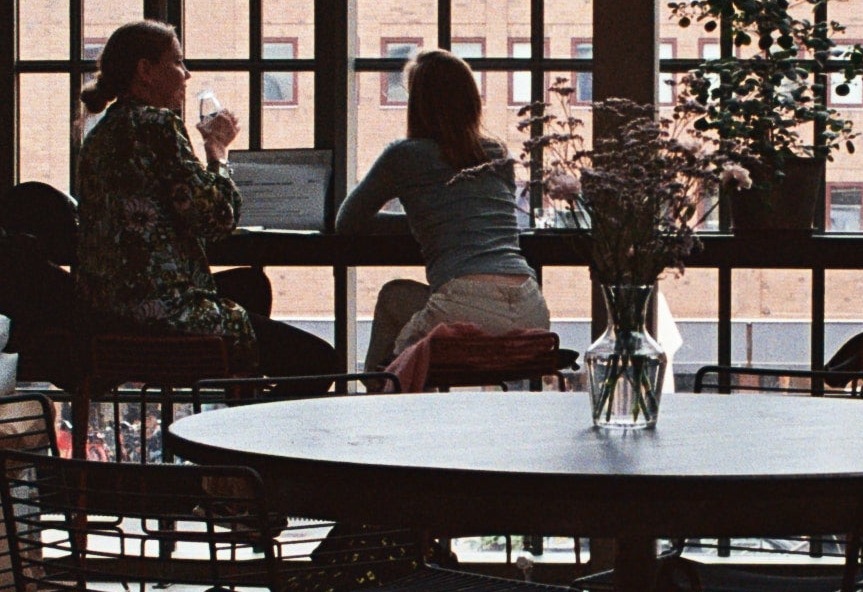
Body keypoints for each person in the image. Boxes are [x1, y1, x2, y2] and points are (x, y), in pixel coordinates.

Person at [74, 21, 333, 376]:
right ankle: (240, 420)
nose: (187, 74)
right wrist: (218, 152)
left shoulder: (98, 135)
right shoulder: (157, 124)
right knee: (319, 360)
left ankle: (240, 396)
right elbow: (217, 217)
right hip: (162, 314)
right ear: (146, 71)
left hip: (108, 312)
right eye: (178, 62)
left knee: (250, 286)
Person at [334, 47, 550, 377]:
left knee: (393, 298)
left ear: (417, 104)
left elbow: (346, 223)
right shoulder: (496, 152)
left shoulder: (404, 156)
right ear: (471, 100)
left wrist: (421, 223)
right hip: (531, 307)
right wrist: (428, 221)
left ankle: (378, 398)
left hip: (465, 304)